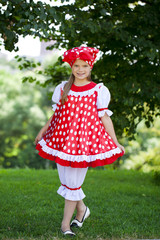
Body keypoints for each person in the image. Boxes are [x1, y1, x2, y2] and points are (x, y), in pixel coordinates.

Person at [35, 46, 125, 237]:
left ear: (90, 67)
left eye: (84, 65)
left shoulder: (98, 90)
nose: (80, 69)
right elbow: (56, 115)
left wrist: (115, 142)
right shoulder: (63, 88)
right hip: (62, 141)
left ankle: (65, 225)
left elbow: (105, 118)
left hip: (82, 144)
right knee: (67, 182)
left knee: (73, 184)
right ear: (71, 67)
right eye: (76, 65)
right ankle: (82, 210)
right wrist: (43, 130)